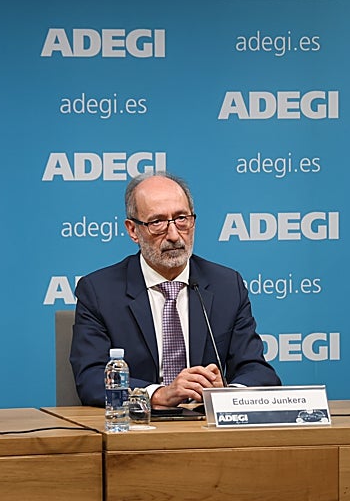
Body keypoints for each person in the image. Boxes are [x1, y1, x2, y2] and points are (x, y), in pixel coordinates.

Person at [69, 172, 279, 407]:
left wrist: (226, 395)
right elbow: (90, 378)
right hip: (138, 423)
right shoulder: (99, 291)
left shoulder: (227, 286)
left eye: (181, 219)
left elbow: (258, 371)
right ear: (133, 230)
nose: (173, 235)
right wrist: (158, 394)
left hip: (204, 424)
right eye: (157, 222)